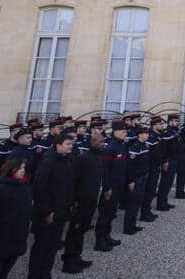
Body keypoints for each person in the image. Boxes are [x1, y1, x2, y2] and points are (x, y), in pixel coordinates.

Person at [29, 134, 75, 279]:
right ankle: (35, 275)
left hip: (61, 211)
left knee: (52, 246)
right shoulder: (48, 162)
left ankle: (45, 273)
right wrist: (47, 211)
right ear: (58, 145)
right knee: (41, 247)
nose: (71, 146)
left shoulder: (66, 160)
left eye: (71, 144)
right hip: (48, 214)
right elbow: (39, 189)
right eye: (68, 144)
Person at [63, 133, 103, 273]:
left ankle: (76, 256)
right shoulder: (83, 158)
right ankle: (68, 261)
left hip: (91, 200)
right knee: (75, 231)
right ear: (92, 142)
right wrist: (74, 201)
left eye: (102, 141)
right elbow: (73, 181)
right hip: (80, 201)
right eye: (98, 141)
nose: (101, 144)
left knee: (82, 230)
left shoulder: (97, 157)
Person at [94, 120, 127, 251]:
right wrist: (107, 188)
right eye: (123, 131)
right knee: (104, 214)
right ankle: (100, 241)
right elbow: (106, 170)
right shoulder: (110, 148)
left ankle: (107, 236)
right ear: (115, 132)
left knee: (111, 213)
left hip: (118, 186)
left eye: (125, 131)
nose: (125, 133)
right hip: (110, 188)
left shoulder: (121, 145)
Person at [123, 126, 149, 235]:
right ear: (139, 135)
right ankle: (128, 227)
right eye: (145, 133)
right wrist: (131, 181)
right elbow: (130, 166)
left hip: (143, 177)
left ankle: (132, 225)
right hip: (136, 179)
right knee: (132, 203)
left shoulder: (144, 146)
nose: (147, 135)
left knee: (137, 202)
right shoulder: (135, 147)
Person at [156, 114, 184, 211]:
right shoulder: (166, 133)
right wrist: (165, 161)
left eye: (177, 121)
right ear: (170, 121)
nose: (177, 123)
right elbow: (164, 149)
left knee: (169, 182)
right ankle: (160, 204)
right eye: (175, 121)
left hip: (175, 160)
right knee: (165, 183)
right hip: (169, 161)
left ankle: (164, 201)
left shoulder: (174, 131)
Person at [141, 116, 165, 220]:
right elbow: (149, 154)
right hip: (151, 167)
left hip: (156, 166)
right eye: (160, 124)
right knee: (149, 190)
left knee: (151, 190)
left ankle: (147, 211)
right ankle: (144, 213)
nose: (162, 126)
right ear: (154, 126)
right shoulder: (151, 136)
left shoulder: (157, 135)